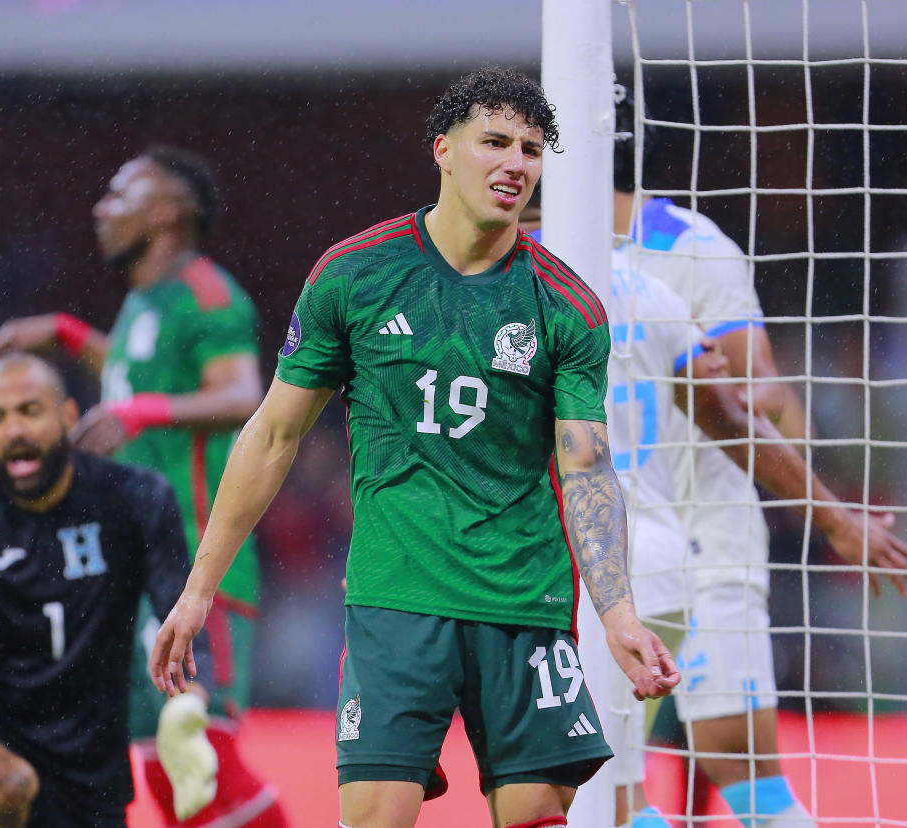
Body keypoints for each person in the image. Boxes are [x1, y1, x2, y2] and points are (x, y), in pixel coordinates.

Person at [148, 65, 682, 828]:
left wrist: (619, 613)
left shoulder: (567, 305)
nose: (514, 163)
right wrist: (200, 590)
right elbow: (272, 435)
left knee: (537, 817)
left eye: (531, 150)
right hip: (396, 602)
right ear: (443, 150)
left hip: (523, 604)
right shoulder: (356, 275)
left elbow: (587, 466)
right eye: (493, 141)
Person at [609, 88, 907, 827]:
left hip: (694, 534)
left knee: (611, 793)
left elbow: (752, 397)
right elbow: (765, 397)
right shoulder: (561, 251)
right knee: (671, 790)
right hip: (619, 546)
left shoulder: (683, 247)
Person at [0, 146, 284, 826]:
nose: (102, 207)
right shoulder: (148, 303)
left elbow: (243, 393)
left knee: (204, 758)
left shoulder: (209, 293)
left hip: (202, 564)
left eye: (122, 193)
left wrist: (139, 411)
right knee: (164, 770)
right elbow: (131, 368)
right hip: (146, 570)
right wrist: (65, 334)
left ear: (168, 214)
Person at [0, 352, 212, 827]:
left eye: (30, 411)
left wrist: (187, 708)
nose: (15, 431)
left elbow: (182, 617)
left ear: (68, 416)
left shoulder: (135, 501)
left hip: (93, 770)